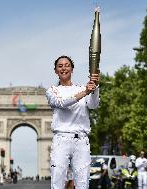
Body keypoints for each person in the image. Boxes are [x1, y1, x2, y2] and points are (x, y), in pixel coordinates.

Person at [46, 55, 100, 189]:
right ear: (55, 70)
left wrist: (95, 88)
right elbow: (61, 103)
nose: (64, 68)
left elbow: (93, 105)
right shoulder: (52, 90)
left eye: (67, 65)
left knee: (83, 183)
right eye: (60, 66)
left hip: (82, 140)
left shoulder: (82, 88)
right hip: (61, 139)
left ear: (72, 69)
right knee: (57, 182)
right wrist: (85, 91)